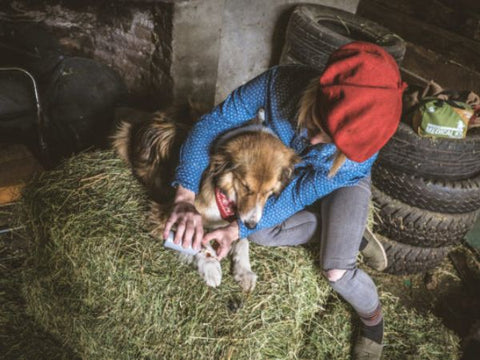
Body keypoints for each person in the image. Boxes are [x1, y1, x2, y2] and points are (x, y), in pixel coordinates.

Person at [163, 41, 407, 359]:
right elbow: (212, 125)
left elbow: (297, 194)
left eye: (330, 139)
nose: (316, 139)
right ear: (315, 95)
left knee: (336, 271)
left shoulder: (354, 160)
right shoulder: (279, 84)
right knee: (260, 231)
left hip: (336, 180)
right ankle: (340, 230)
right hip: (291, 175)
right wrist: (185, 195)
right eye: (317, 125)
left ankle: (373, 323)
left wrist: (234, 231)